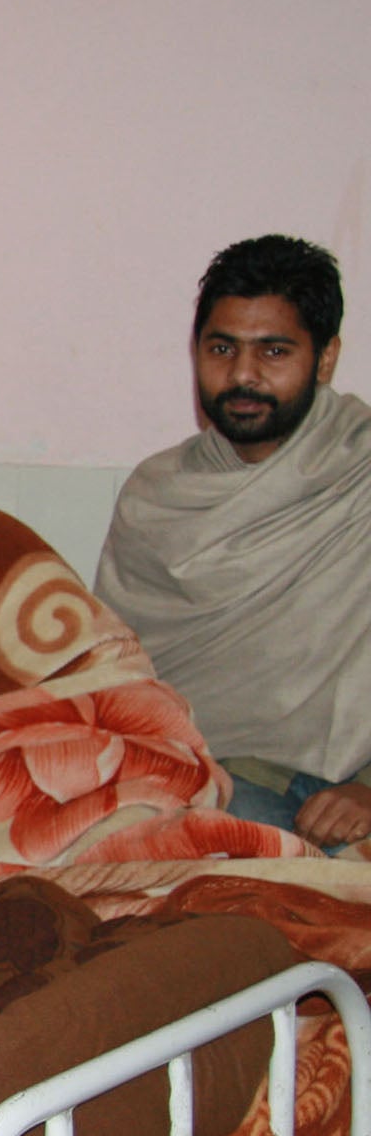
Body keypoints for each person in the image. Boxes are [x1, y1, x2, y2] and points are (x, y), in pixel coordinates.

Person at [97, 234, 371, 853]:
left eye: (274, 351)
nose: (243, 375)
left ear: (325, 359)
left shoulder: (363, 470)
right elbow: (113, 679)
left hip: (357, 784)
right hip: (212, 779)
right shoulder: (155, 495)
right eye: (222, 349)